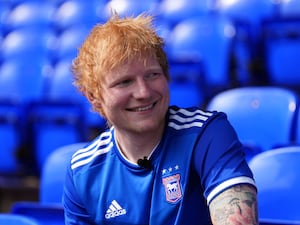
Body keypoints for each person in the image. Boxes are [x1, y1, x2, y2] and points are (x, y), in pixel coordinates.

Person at [63, 13, 258, 225]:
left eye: (152, 75)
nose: (143, 92)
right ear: (94, 97)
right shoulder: (82, 171)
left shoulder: (205, 133)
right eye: (125, 82)